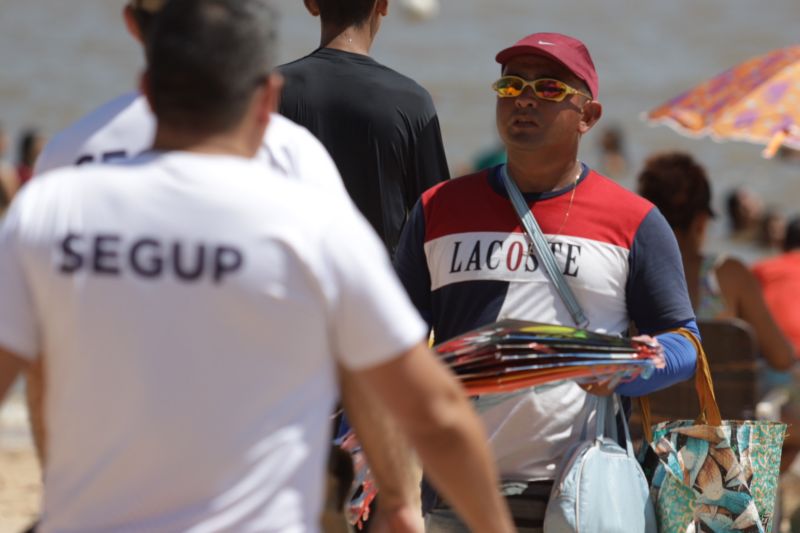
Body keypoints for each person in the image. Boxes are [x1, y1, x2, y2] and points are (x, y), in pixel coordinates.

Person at [0, 1, 515, 532]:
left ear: (147, 94)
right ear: (265, 101)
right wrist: (402, 498)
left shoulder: (52, 209)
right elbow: (437, 414)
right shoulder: (312, 223)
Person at [394, 32, 700, 532]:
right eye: (512, 86)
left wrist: (634, 364)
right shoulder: (436, 209)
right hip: (454, 487)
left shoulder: (636, 221)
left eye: (550, 88)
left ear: (589, 116)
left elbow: (685, 342)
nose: (526, 98)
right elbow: (393, 343)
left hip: (580, 491)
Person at [278, 0, 450, 256]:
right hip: (379, 287)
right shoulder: (411, 100)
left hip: (286, 284)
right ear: (382, 5)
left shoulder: (267, 92)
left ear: (311, 4)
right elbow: (440, 223)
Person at [637, 152, 795, 372]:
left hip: (647, 405)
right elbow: (782, 358)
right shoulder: (727, 274)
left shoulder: (629, 273)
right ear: (701, 222)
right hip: (718, 405)